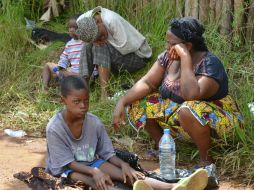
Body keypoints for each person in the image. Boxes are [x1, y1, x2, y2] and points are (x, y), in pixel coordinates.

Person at [112, 17, 243, 186]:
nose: (167, 47)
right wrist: (121, 102)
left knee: (188, 108)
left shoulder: (210, 63)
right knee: (139, 102)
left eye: (171, 43)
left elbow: (191, 94)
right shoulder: (167, 58)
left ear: (187, 46)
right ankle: (164, 149)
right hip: (181, 117)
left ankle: (206, 160)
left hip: (219, 121)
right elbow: (147, 83)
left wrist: (185, 59)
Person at [45, 75, 209, 190]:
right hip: (66, 169)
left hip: (92, 162)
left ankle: (173, 187)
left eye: (86, 101)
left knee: (130, 176)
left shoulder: (94, 122)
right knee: (94, 182)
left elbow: (107, 153)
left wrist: (124, 165)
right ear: (63, 100)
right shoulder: (55, 128)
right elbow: (67, 163)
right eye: (76, 101)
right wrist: (95, 172)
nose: (83, 106)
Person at [76, 6, 152, 99]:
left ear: (98, 22)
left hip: (138, 57)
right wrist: (93, 42)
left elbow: (126, 48)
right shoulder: (82, 20)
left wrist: (101, 42)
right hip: (116, 61)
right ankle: (81, 87)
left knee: (100, 46)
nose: (100, 39)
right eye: (96, 39)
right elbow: (87, 40)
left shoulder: (112, 20)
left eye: (100, 35)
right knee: (87, 46)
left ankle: (105, 93)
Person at [42, 15, 84, 92]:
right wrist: (61, 68)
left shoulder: (87, 42)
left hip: (81, 75)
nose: (71, 30)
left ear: (83, 28)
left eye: (75, 27)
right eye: (69, 27)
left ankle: (64, 84)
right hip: (71, 72)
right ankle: (45, 89)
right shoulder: (69, 44)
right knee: (48, 66)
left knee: (66, 72)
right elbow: (64, 59)